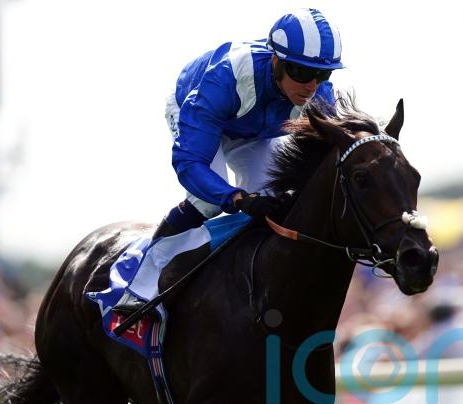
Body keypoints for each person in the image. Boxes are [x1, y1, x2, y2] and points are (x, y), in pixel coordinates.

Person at [113, 8, 345, 313]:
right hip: (198, 113)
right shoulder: (227, 77)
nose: (311, 86)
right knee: (207, 202)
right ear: (276, 61)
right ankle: (139, 286)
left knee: (275, 200)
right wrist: (235, 197)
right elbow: (190, 163)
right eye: (301, 73)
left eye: (322, 74)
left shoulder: (319, 95)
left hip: (252, 131)